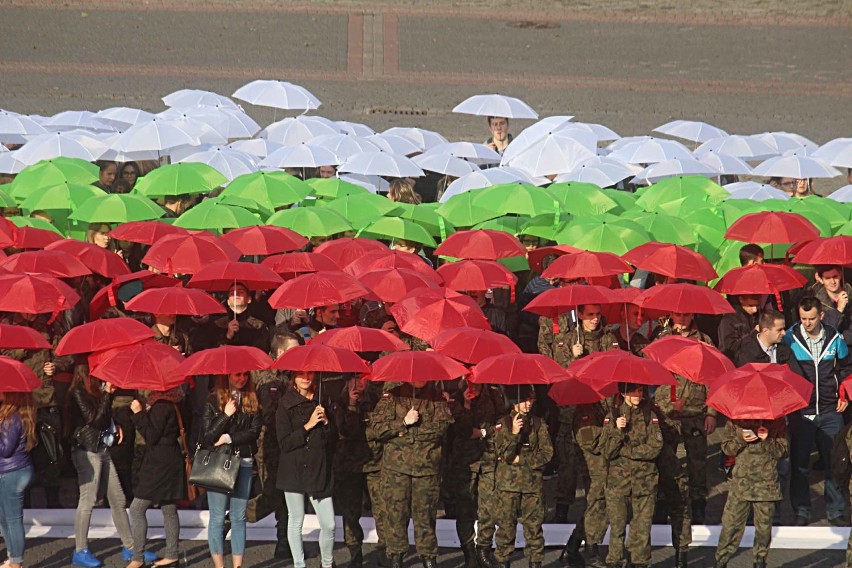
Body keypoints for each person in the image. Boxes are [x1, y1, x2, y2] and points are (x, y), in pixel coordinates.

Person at [366, 381, 453, 568]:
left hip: (426, 470)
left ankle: (428, 557)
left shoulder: (437, 398)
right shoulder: (392, 397)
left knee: (426, 517)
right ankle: (396, 557)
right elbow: (376, 429)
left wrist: (405, 435)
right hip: (396, 470)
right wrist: (404, 422)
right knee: (395, 516)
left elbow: (441, 429)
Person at [783, 296, 851, 526]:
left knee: (835, 462)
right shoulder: (789, 338)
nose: (807, 323)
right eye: (803, 319)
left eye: (811, 318)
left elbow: (845, 367)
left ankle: (836, 510)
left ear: (821, 315)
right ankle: (802, 510)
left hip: (831, 410)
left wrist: (844, 394)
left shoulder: (834, 337)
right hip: (802, 410)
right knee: (800, 464)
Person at [67, 371, 145, 568]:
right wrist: (108, 395)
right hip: (87, 451)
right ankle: (80, 549)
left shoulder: (96, 392)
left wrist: (116, 424)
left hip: (102, 448)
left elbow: (105, 418)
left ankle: (130, 546)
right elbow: (96, 421)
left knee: (118, 498)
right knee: (88, 499)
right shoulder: (78, 392)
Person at [550, 304, 619, 524]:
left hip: (599, 409)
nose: (595, 319)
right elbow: (559, 372)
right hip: (571, 410)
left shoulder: (608, 339)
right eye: (590, 315)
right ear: (580, 316)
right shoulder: (567, 339)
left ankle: (595, 512)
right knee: (567, 463)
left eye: (598, 314)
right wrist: (573, 357)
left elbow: (615, 368)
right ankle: (562, 508)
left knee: (596, 465)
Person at [652, 312, 716, 524]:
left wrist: (711, 412)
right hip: (667, 411)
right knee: (666, 461)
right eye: (678, 315)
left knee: (697, 463)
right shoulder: (662, 337)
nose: (682, 320)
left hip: (695, 410)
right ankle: (663, 505)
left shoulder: (704, 340)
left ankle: (698, 507)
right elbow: (648, 365)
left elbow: (712, 377)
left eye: (686, 315)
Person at [277, 370, 337, 568]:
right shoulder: (285, 403)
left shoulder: (323, 400)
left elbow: (333, 440)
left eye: (310, 373)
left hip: (319, 468)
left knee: (329, 524)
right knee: (296, 520)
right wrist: (308, 425)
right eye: (300, 373)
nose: (306, 377)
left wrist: (327, 423)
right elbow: (284, 443)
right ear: (293, 376)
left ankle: (327, 564)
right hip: (293, 468)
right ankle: (299, 564)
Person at [201, 372, 262, 568]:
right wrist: (225, 415)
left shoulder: (251, 399)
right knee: (218, 517)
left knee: (238, 517)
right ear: (227, 376)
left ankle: (237, 565)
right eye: (237, 375)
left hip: (243, 461)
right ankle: (219, 566)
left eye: (245, 375)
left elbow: (254, 432)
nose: (241, 379)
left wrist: (229, 438)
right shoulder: (213, 399)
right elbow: (208, 435)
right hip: (219, 462)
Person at [251, 328, 301, 561]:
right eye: (293, 350)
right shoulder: (269, 376)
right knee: (273, 491)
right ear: (280, 352)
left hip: (286, 441)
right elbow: (271, 414)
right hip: (270, 442)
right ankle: (239, 516)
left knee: (286, 492)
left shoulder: (288, 375)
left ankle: (283, 541)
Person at [601, 383, 663, 568]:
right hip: (618, 483)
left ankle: (640, 562)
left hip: (644, 481)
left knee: (642, 528)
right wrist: (617, 432)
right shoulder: (612, 417)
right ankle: (615, 561)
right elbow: (607, 451)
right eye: (633, 391)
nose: (638, 395)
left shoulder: (649, 416)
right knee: (617, 527)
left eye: (641, 391)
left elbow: (655, 447)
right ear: (623, 393)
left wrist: (629, 451)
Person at [447, 379, 506, 568]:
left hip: (488, 457)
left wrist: (482, 432)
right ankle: (469, 553)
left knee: (488, 507)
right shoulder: (455, 398)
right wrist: (466, 405)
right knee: (464, 508)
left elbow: (501, 424)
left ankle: (483, 549)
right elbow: (462, 430)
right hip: (465, 461)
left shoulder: (494, 394)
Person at [713, 417, 787, 568]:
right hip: (741, 483)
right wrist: (741, 438)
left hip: (766, 484)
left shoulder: (777, 421)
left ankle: (760, 562)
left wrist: (767, 439)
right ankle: (721, 561)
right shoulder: (735, 421)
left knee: (764, 529)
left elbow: (782, 452)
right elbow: (727, 449)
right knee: (730, 525)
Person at [492, 385, 552, 568]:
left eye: (531, 400)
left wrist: (523, 459)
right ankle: (503, 562)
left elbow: (547, 453)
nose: (528, 404)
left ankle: (535, 562)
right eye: (525, 400)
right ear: (514, 401)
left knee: (534, 530)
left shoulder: (538, 424)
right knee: (505, 530)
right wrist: (514, 434)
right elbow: (503, 453)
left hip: (532, 486)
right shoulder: (503, 423)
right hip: (508, 486)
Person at [127, 387, 187, 568]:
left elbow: (151, 435)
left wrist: (138, 414)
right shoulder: (176, 401)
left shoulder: (161, 405)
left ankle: (137, 558)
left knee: (137, 508)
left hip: (159, 462)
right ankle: (172, 555)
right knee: (168, 508)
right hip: (171, 458)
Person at [332, 377, 373, 568]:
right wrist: (351, 406)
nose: (357, 387)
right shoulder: (338, 406)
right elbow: (345, 430)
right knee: (350, 513)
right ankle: (355, 553)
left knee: (382, 511)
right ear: (346, 385)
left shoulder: (373, 402)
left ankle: (388, 552)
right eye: (353, 384)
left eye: (361, 383)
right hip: (347, 465)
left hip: (372, 463)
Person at [0, 391, 36, 568]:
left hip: (11, 472)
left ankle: (16, 563)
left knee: (12, 519)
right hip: (16, 470)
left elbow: (5, 449)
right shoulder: (23, 414)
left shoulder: (11, 418)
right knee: (4, 518)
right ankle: (12, 557)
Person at [811, 265, 852, 345]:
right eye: (827, 278)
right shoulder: (815, 301)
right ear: (820, 279)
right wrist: (839, 309)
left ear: (840, 275)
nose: (833, 282)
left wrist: (842, 337)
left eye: (835, 276)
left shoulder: (850, 295)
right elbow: (821, 331)